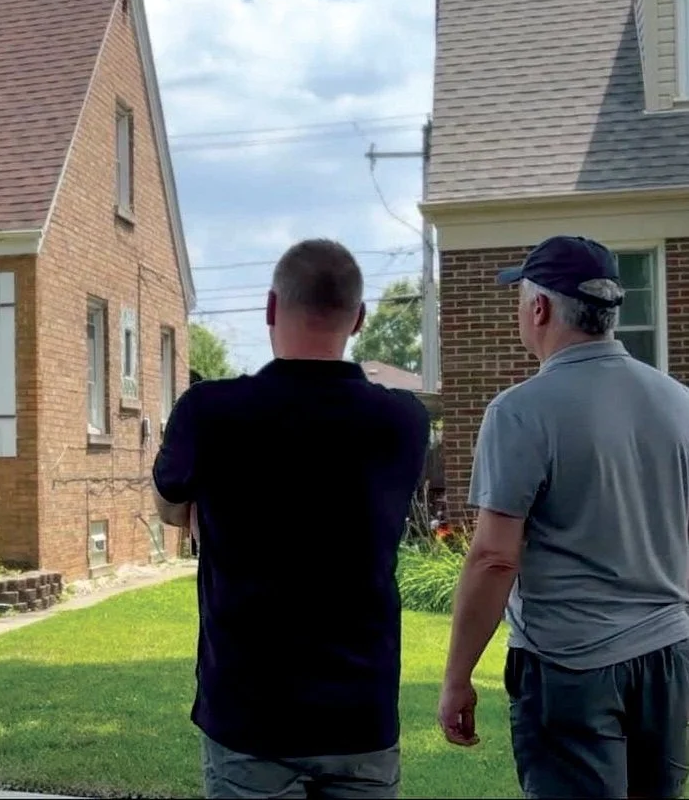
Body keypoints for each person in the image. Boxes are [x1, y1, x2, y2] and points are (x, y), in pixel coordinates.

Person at [153, 238, 431, 799]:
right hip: (361, 712)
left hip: (249, 712)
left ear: (270, 308)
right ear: (359, 319)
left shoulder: (208, 412)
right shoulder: (403, 420)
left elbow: (167, 505)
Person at [438, 235, 689, 799]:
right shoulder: (680, 403)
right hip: (669, 662)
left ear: (540, 308)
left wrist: (457, 679)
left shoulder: (521, 411)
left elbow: (495, 557)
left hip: (568, 667)